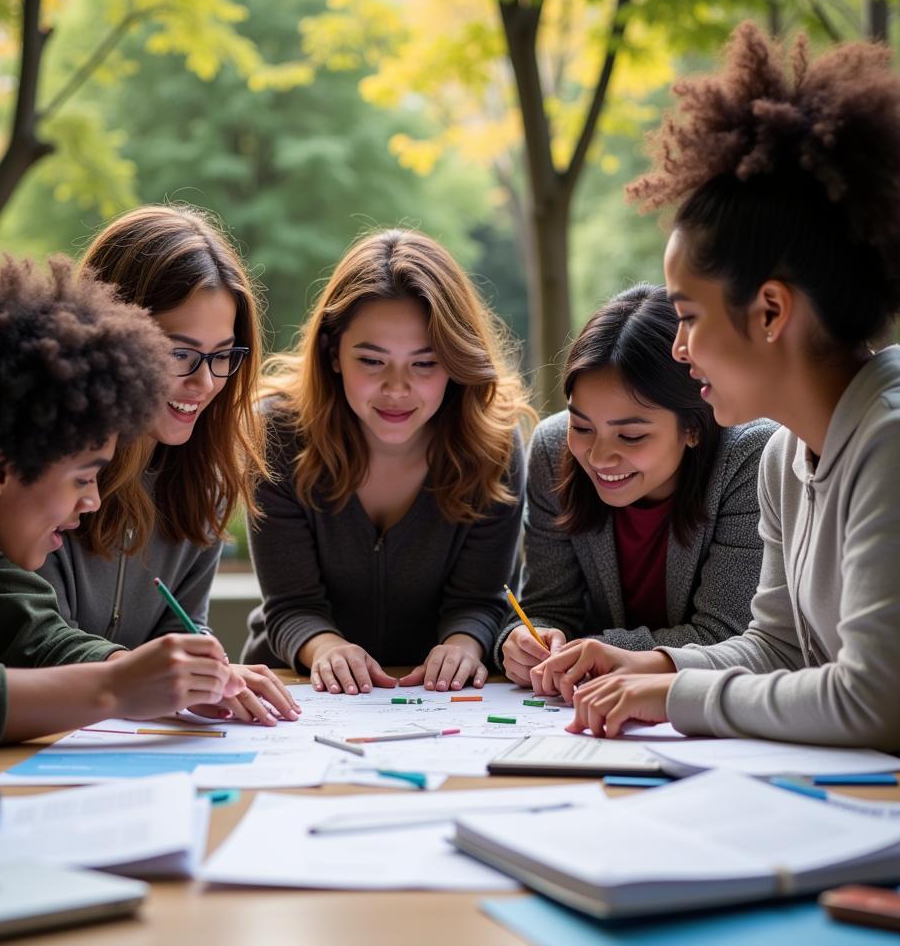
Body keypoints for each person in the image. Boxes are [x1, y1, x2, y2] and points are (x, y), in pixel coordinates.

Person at [546, 23, 900, 751]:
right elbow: (778, 649)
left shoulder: (888, 443)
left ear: (770, 310)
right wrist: (649, 666)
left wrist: (676, 693)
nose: (680, 349)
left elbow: (873, 698)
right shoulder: (784, 457)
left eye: (687, 317)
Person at [0, 252, 244, 751]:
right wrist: (114, 688)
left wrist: (150, 676)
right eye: (83, 477)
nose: (93, 500)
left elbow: (34, 638)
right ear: (2, 465)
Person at [242, 228, 534, 694]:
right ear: (333, 353)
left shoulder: (494, 445)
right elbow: (291, 605)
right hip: (298, 689)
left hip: (443, 700)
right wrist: (327, 650)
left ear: (456, 363)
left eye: (425, 363)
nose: (397, 389)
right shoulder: (276, 434)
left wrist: (463, 646)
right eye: (372, 362)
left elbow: (479, 601)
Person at [38, 204, 298, 726]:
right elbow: (26, 633)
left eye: (223, 355)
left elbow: (178, 628)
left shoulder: (203, 474)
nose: (204, 384)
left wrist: (205, 667)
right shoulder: (41, 463)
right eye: (179, 353)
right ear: (111, 339)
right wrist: (141, 674)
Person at [497, 284, 776, 693]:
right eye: (582, 426)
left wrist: (594, 650)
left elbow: (727, 636)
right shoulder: (554, 446)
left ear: (693, 428)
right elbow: (549, 607)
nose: (598, 457)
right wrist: (526, 641)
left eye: (630, 436)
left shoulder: (750, 455)